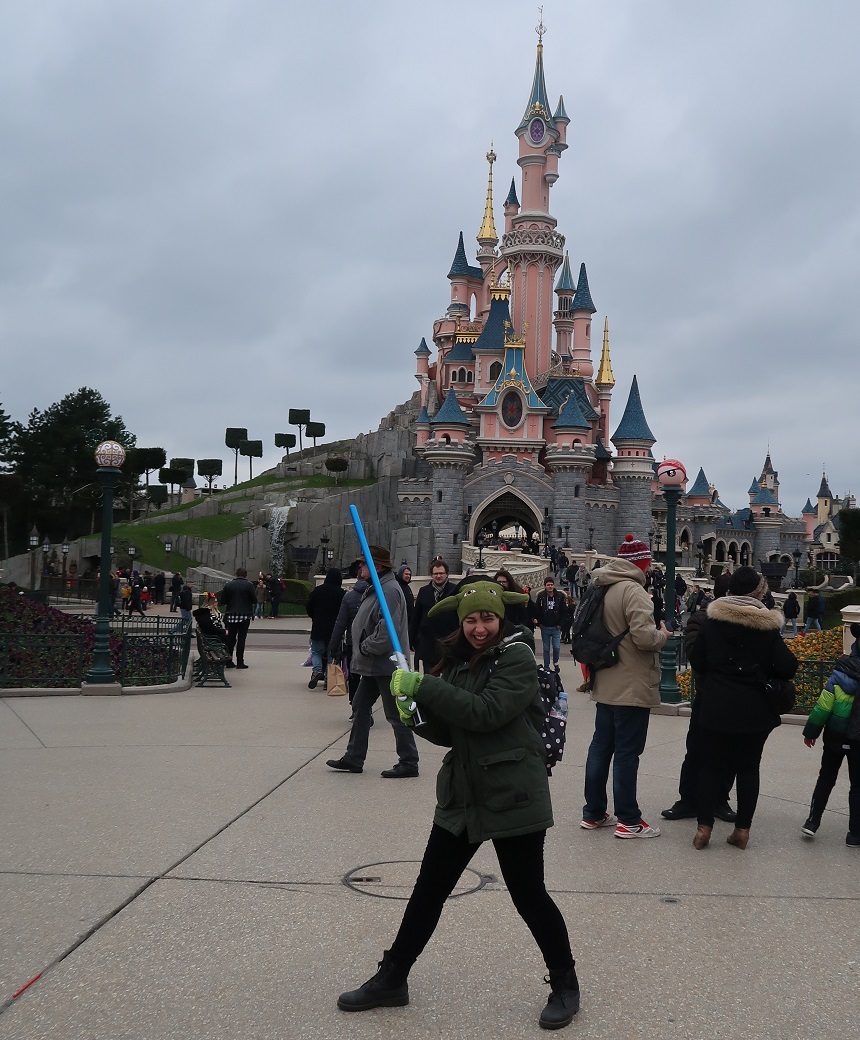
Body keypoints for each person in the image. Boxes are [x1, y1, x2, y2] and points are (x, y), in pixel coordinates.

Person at [336, 580, 580, 1030]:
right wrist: (415, 715)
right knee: (429, 890)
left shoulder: (517, 656)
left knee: (529, 895)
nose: (479, 628)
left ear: (500, 618)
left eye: (487, 618)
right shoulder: (460, 662)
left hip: (512, 793)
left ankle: (565, 983)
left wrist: (425, 686)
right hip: (462, 792)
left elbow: (486, 712)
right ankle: (393, 977)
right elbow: (453, 730)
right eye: (471, 620)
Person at [688, 567, 798, 850]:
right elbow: (788, 666)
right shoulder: (766, 627)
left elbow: (697, 660)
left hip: (716, 706)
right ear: (759, 592)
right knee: (748, 768)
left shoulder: (712, 622)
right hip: (754, 710)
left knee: (710, 766)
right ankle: (742, 831)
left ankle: (703, 828)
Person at [581, 534, 669, 838]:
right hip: (631, 684)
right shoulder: (633, 590)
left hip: (606, 680)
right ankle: (629, 820)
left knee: (600, 748)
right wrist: (663, 635)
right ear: (641, 563)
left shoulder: (602, 586)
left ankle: (593, 813)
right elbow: (644, 638)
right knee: (627, 753)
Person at [326, 545, 419, 778]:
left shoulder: (389, 591)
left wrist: (364, 647)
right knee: (360, 706)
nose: (360, 567)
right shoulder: (378, 588)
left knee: (395, 714)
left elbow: (386, 632)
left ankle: (409, 761)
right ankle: (354, 757)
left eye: (364, 563)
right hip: (373, 665)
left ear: (376, 567)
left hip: (386, 665)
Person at [662, 573, 737, 823]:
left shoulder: (743, 621)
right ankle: (688, 800)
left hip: (732, 698)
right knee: (695, 750)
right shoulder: (701, 618)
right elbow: (695, 655)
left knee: (728, 753)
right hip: (708, 695)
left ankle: (719, 800)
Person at [800, 623, 860, 843]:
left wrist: (811, 732)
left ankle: (812, 822)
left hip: (836, 735)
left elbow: (823, 706)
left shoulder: (840, 673)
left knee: (826, 778)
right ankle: (855, 833)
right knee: (858, 786)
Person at [328, 565, 370, 708]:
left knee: (354, 675)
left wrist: (333, 646)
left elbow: (340, 624)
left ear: (357, 578)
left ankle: (355, 705)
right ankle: (367, 706)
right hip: (372, 641)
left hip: (353, 642)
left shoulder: (349, 596)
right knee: (369, 676)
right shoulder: (376, 595)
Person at [410, 559, 458, 673]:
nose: (438, 576)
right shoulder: (424, 591)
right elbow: (416, 617)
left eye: (441, 573)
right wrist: (412, 639)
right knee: (429, 675)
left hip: (448, 642)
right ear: (431, 575)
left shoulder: (455, 590)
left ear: (447, 574)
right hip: (427, 642)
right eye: (436, 573)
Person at [306, 567, 345, 689]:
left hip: (318, 626)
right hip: (334, 628)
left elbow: (309, 606)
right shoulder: (341, 593)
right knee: (331, 654)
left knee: (316, 652)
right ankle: (329, 678)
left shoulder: (318, 590)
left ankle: (317, 671)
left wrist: (314, 616)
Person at [221, 567, 257, 669]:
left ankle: (228, 661)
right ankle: (240, 662)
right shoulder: (249, 585)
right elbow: (254, 600)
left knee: (231, 639)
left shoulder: (228, 584)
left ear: (236, 574)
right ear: (245, 575)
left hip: (231, 614)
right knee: (241, 639)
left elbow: (223, 600)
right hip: (244, 615)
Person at [534, 576, 566, 672]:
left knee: (556, 647)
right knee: (546, 648)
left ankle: (555, 662)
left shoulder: (559, 596)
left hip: (556, 627)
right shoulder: (541, 597)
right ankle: (546, 666)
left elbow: (564, 611)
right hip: (545, 627)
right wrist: (539, 624)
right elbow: (537, 610)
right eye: (548, 585)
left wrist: (560, 624)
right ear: (545, 586)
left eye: (551, 584)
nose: (550, 586)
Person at [395, 565, 415, 634]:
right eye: (406, 574)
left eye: (409, 574)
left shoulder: (407, 587)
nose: (408, 576)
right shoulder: (397, 586)